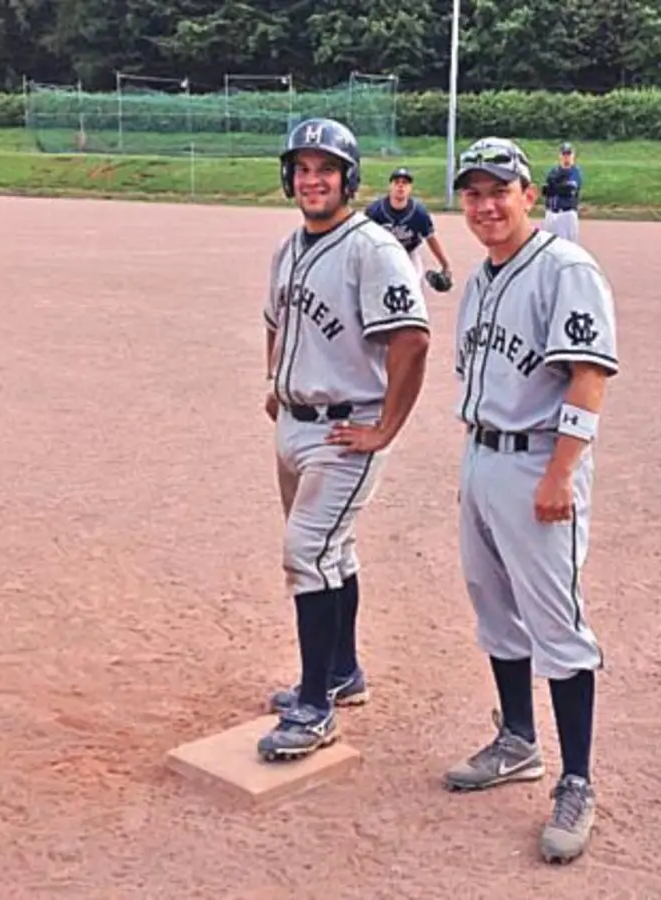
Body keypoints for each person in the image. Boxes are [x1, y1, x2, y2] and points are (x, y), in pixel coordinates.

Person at [442, 136, 619, 865]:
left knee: (556, 623)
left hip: (540, 462)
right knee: (494, 607)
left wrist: (559, 474)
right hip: (482, 454)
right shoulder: (485, 274)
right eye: (474, 193)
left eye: (500, 190)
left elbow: (589, 376)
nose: (486, 204)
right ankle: (518, 740)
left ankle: (577, 779)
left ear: (529, 195)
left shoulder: (565, 268)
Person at [257, 117, 432, 762]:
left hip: (344, 427)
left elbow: (411, 337)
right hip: (294, 424)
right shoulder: (288, 248)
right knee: (334, 551)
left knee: (306, 552)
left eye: (324, 169)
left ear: (348, 180)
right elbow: (274, 318)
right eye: (302, 169)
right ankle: (342, 672)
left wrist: (385, 426)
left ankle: (314, 705)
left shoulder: (373, 248)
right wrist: (275, 378)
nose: (311, 180)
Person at [364, 167, 455, 294]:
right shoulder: (375, 210)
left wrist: (445, 265)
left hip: (408, 253)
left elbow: (431, 238)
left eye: (405, 183)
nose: (400, 186)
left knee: (413, 285)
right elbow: (362, 239)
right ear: (390, 186)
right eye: (397, 182)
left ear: (410, 188)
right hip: (381, 255)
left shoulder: (419, 213)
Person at [539, 142, 583, 243]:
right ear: (560, 155)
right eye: (564, 154)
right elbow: (545, 191)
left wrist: (554, 187)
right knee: (548, 245)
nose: (566, 157)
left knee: (569, 247)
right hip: (551, 214)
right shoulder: (553, 171)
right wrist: (555, 187)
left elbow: (568, 190)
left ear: (573, 156)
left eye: (568, 154)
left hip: (567, 215)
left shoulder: (575, 172)